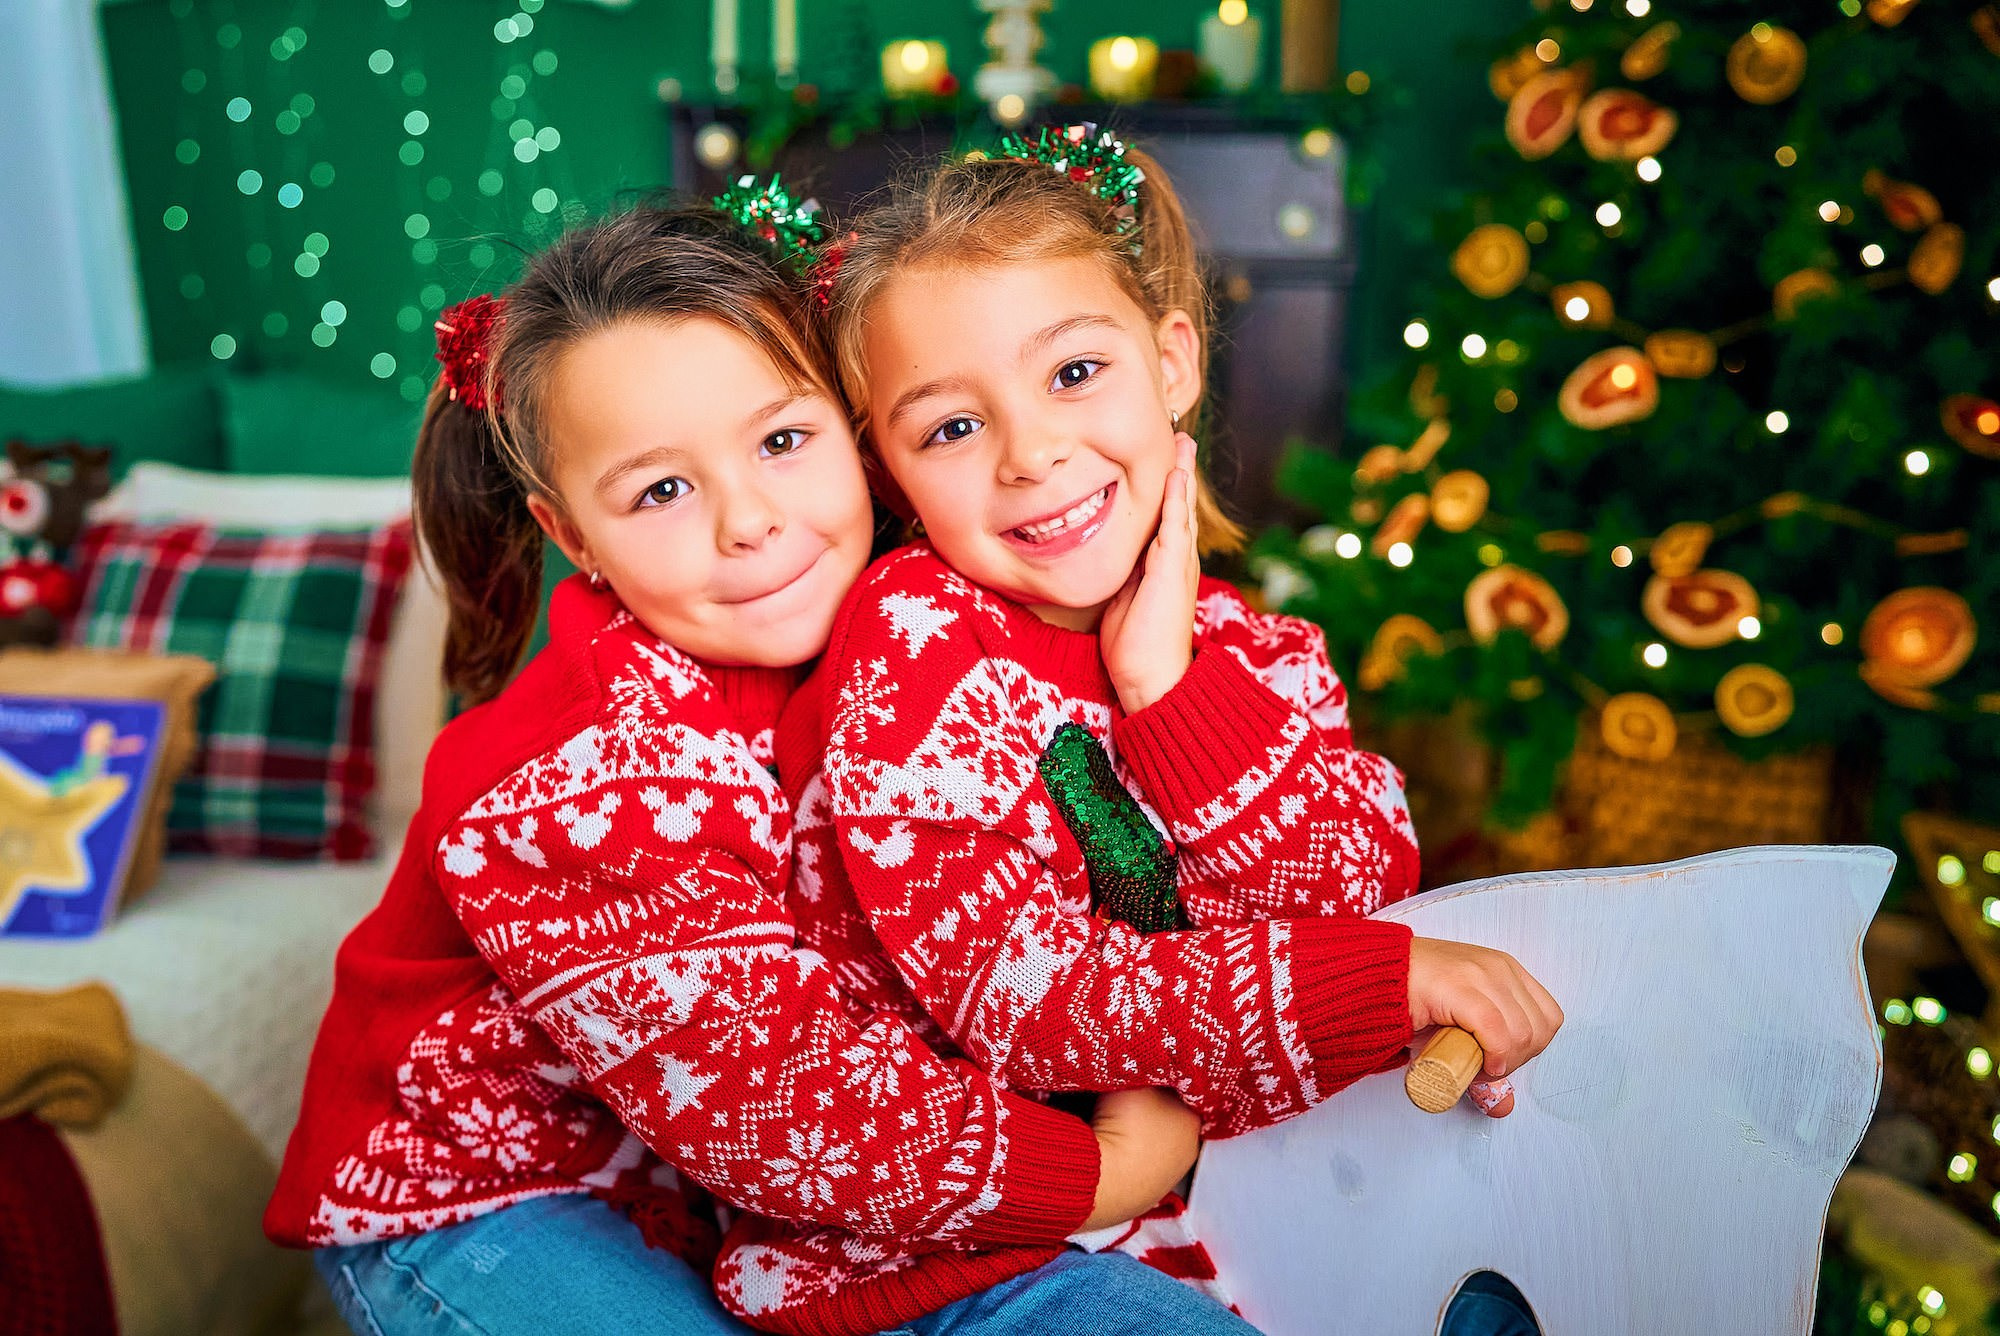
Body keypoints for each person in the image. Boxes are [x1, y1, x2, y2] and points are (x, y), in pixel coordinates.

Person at [265, 195, 1205, 1336]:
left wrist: (1164, 681)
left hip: (725, 1191)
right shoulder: (574, 776)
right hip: (486, 1198)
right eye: (661, 490)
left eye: (780, 441)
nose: (747, 522)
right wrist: (1104, 1171)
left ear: (855, 432)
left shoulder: (918, 615)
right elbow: (784, 1109)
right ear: (572, 537)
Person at [728, 126, 1561, 1335]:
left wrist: (1167, 687)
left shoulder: (1249, 649)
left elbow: (1352, 885)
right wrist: (1369, 987)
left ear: (1170, 359)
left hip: (1225, 1209)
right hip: (961, 1258)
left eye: (1072, 373)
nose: (1032, 454)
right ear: (889, 471)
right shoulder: (913, 639)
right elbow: (1015, 990)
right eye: (949, 427)